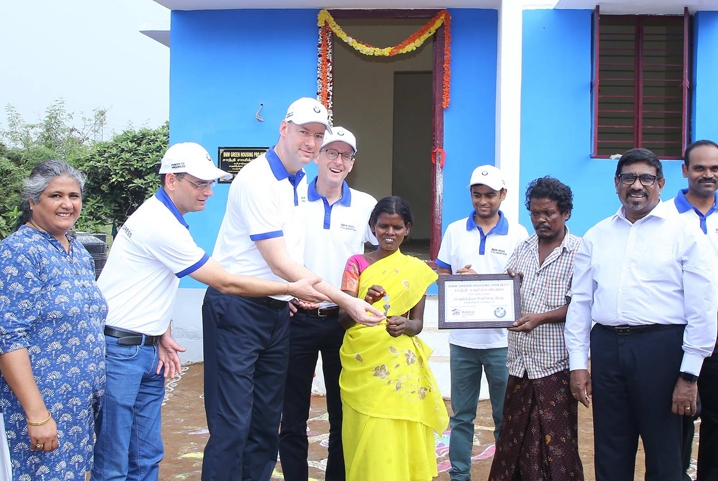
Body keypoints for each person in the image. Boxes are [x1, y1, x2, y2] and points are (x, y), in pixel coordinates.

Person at [92, 142, 327, 481]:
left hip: (144, 346)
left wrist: (162, 330)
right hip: (121, 351)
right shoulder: (160, 224)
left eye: (211, 183)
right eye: (199, 183)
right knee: (115, 459)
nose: (208, 192)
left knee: (145, 455)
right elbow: (225, 282)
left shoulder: (168, 218)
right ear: (171, 180)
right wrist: (289, 288)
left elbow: (145, 285)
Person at [202, 98, 384, 481]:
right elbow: (280, 261)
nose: (311, 142)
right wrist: (344, 299)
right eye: (305, 133)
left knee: (267, 422)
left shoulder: (297, 181)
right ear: (283, 129)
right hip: (238, 306)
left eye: (318, 135)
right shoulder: (257, 179)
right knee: (234, 424)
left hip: (275, 311)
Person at [565, 147, 718, 481]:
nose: (637, 185)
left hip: (662, 350)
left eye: (646, 178)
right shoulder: (597, 235)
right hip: (606, 349)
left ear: (660, 184)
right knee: (610, 446)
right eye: (628, 178)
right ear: (616, 183)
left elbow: (703, 308)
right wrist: (578, 364)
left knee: (664, 453)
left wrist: (689, 374)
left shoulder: (684, 233)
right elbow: (580, 304)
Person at [278, 127, 376, 481]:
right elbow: (272, 253)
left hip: (342, 323)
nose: (337, 161)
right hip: (297, 320)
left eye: (346, 156)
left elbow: (383, 251)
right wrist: (281, 292)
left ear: (352, 163)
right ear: (317, 155)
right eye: (331, 153)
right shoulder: (292, 199)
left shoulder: (366, 205)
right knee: (292, 415)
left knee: (342, 413)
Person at [0, 160, 107, 479]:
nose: (67, 204)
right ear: (33, 202)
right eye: (55, 195)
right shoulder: (18, 253)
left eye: (74, 196)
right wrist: (37, 415)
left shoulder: (78, 251)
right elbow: (8, 338)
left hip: (78, 407)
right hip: (40, 407)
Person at [338, 196, 449, 481]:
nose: (390, 233)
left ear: (408, 228)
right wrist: (364, 302)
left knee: (399, 429)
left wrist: (405, 324)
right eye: (383, 226)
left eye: (397, 227)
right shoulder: (356, 264)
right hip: (364, 364)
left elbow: (418, 324)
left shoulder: (416, 270)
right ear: (373, 227)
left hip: (399, 367)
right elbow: (343, 319)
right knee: (368, 430)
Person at [435, 164, 528, 481]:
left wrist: (486, 282)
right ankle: (459, 475)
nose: (483, 201)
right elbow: (442, 273)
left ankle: (504, 474)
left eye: (490, 194)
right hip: (463, 342)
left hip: (503, 343)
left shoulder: (518, 234)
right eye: (477, 194)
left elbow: (521, 282)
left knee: (506, 416)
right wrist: (457, 282)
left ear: (503, 194)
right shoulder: (455, 231)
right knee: (462, 416)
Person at [488, 177, 584, 481]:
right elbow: (506, 294)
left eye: (549, 213)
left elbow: (582, 307)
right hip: (520, 363)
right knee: (513, 440)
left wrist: (540, 318)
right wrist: (503, 288)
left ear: (565, 212)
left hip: (554, 365)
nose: (541, 219)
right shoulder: (523, 249)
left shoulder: (580, 252)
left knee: (556, 445)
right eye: (534, 213)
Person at [667, 139, 718, 481]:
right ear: (685, 171)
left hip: (716, 337)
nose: (708, 175)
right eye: (700, 168)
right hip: (674, 336)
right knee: (676, 418)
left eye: (714, 169)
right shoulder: (663, 217)